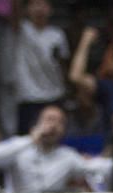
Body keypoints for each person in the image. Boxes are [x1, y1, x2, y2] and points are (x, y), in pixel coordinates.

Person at [0, 105, 104, 193]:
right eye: (49, 119)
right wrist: (32, 139)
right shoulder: (19, 146)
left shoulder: (68, 156)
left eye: (60, 122)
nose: (53, 125)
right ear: (37, 124)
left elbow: (94, 168)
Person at [12, 0, 70, 135]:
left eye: (43, 4)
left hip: (54, 95)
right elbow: (14, 12)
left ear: (50, 9)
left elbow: (62, 65)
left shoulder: (57, 34)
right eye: (35, 4)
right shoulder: (20, 29)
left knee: (53, 137)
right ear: (27, 9)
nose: (39, 9)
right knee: (27, 139)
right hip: (27, 96)